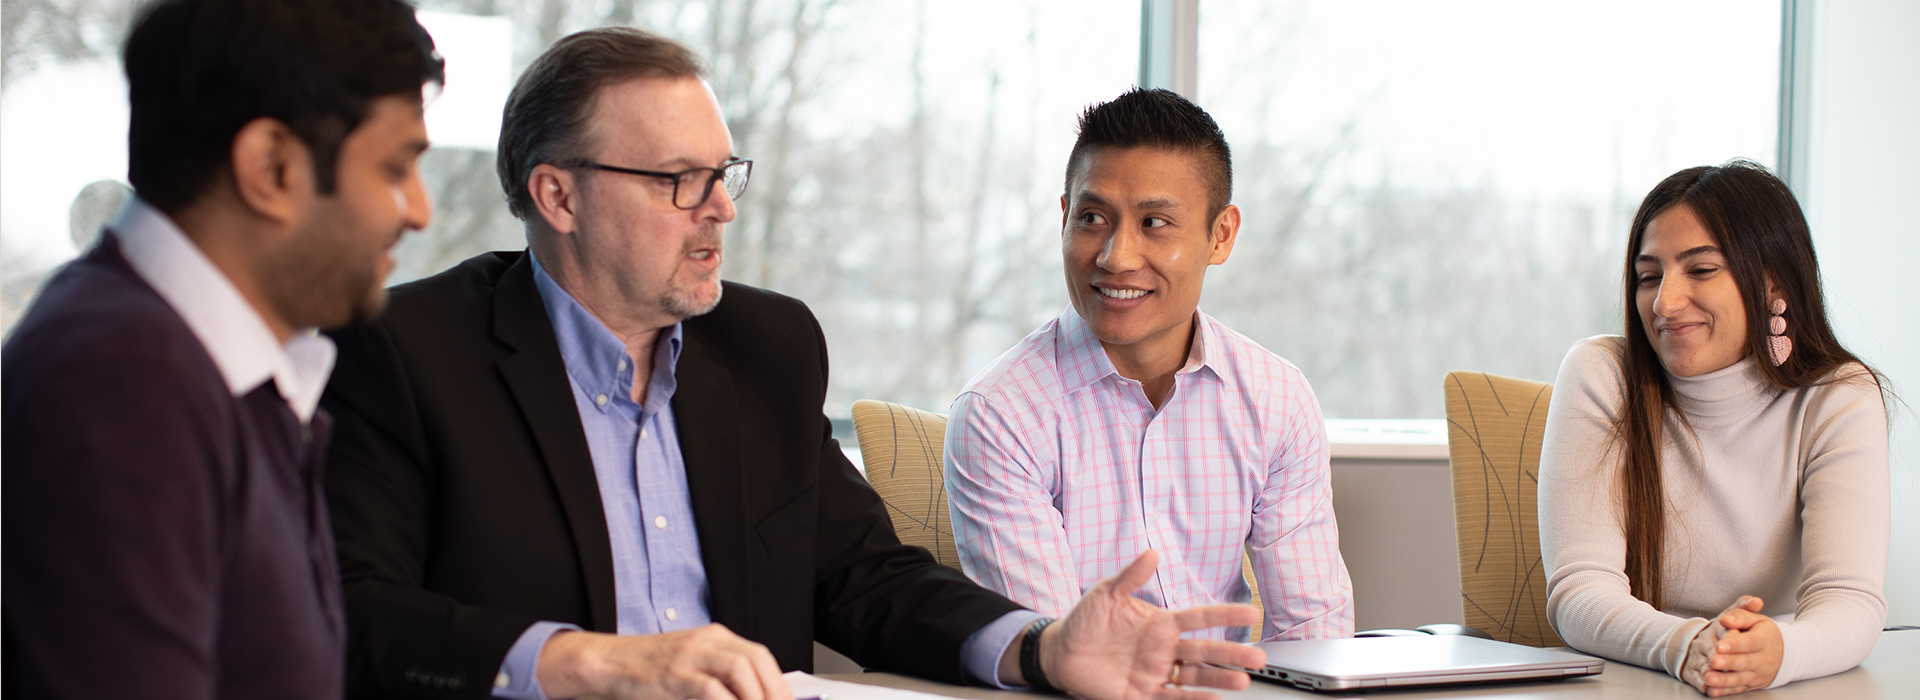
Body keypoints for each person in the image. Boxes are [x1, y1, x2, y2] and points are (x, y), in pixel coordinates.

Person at [320, 28, 1266, 700]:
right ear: (557, 197)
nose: (721, 209)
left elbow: (866, 581)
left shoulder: (765, 347)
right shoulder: (406, 350)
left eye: (723, 174)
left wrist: (1042, 648)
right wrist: (589, 663)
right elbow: (349, 613)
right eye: (679, 181)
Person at [1, 0, 441, 696]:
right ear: (271, 167)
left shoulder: (201, 365)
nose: (419, 211)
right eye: (394, 169)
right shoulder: (125, 381)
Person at [942, 88, 1353, 642]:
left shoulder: (1278, 398)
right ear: (1063, 220)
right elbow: (1056, 657)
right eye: (1092, 217)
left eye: (1155, 223)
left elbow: (1315, 637)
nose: (1116, 257)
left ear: (1221, 236)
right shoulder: (1001, 413)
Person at [1538, 160, 1889, 697]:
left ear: (1774, 281)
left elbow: (1849, 600)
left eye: (1701, 270)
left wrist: (1778, 652)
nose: (1664, 302)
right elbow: (1580, 590)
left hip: (1776, 686)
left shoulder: (1838, 397)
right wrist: (1688, 644)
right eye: (1649, 276)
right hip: (1637, 680)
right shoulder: (1601, 374)